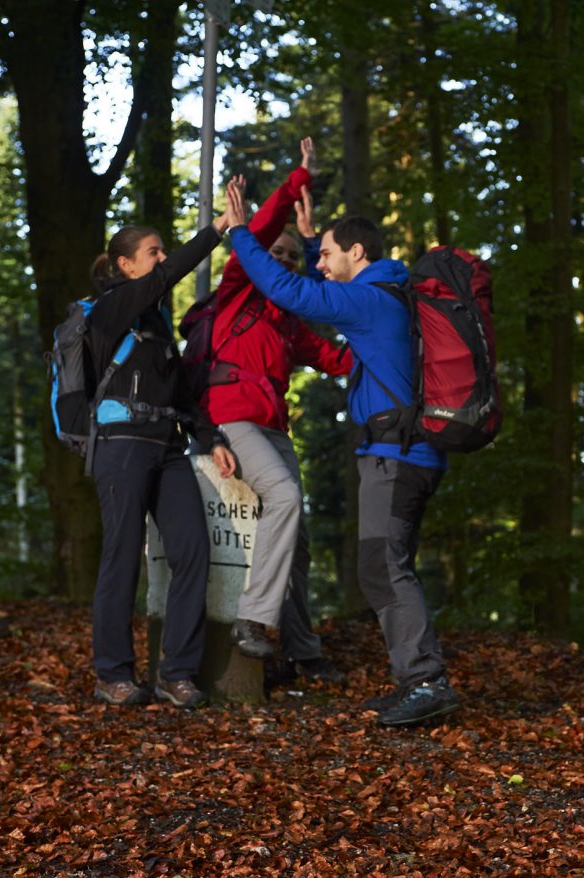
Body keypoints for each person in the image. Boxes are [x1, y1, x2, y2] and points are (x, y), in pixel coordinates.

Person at [228, 178, 462, 727]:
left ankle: (427, 680)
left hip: (397, 456)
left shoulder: (369, 299)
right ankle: (416, 678)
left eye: (329, 254)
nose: (322, 263)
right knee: (382, 565)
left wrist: (241, 234)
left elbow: (292, 292)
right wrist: (312, 244)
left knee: (385, 566)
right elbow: (319, 283)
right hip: (407, 452)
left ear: (357, 252)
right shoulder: (389, 295)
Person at [86, 176, 245, 710]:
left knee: (192, 550)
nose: (161, 259)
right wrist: (216, 230)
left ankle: (175, 672)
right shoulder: (110, 310)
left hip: (167, 446)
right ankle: (112, 673)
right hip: (121, 444)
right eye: (152, 252)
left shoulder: (157, 328)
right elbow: (168, 276)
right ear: (125, 265)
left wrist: (210, 437)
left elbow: (184, 393)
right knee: (122, 556)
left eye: (161, 251)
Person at [197, 138, 349, 684]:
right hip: (233, 414)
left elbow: (337, 357)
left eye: (291, 257)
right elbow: (258, 234)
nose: (282, 261)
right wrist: (295, 183)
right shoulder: (238, 288)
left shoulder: (290, 324)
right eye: (276, 255)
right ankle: (252, 621)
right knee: (284, 495)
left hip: (271, 424)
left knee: (298, 538)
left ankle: (302, 650)